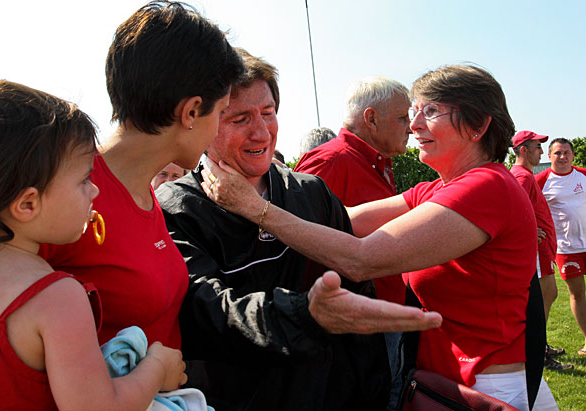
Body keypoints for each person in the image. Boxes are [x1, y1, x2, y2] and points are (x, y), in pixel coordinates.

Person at [203, 64, 558, 410]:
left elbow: (360, 258)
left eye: (430, 112)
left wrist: (254, 208)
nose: (414, 125)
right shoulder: (435, 189)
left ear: (478, 125)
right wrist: (263, 181)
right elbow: (342, 220)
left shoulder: (486, 187)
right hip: (454, 380)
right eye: (414, 112)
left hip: (484, 386)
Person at [157, 49, 441, 411]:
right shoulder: (176, 207)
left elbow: (358, 302)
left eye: (268, 112)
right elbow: (207, 313)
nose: (261, 131)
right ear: (203, 121)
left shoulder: (311, 193)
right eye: (240, 118)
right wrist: (306, 316)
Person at [0, 79, 186, 409]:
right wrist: (158, 368)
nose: (95, 191)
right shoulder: (56, 299)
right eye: (84, 179)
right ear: (27, 204)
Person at [39, 0, 246, 347]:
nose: (219, 128)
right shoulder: (59, 194)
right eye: (222, 112)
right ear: (192, 112)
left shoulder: (146, 192)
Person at [294, 75, 412, 409]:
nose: (411, 126)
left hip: (383, 311)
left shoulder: (376, 161)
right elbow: (302, 240)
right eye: (403, 117)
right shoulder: (330, 161)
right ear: (371, 118)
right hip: (356, 325)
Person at [511, 131, 572, 371]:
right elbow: (512, 209)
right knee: (542, 300)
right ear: (524, 150)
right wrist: (529, 229)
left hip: (541, 249)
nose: (540, 152)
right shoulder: (523, 177)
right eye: (537, 147)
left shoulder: (524, 175)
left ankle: (540, 345)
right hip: (536, 251)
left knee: (547, 296)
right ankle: (538, 350)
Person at [536, 138, 586, 357]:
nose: (562, 157)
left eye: (566, 153)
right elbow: (521, 203)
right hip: (566, 249)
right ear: (549, 157)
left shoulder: (583, 175)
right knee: (577, 294)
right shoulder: (541, 180)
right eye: (557, 153)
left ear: (573, 155)